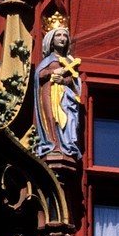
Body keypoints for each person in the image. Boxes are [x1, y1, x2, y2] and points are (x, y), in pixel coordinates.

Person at [34, 11, 83, 159]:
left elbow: (74, 81)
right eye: (58, 35)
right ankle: (53, 143)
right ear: (51, 39)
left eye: (65, 36)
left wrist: (65, 81)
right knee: (52, 118)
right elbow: (39, 75)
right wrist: (54, 71)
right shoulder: (49, 59)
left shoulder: (70, 61)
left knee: (67, 120)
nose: (62, 39)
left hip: (65, 96)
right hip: (50, 94)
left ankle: (65, 144)